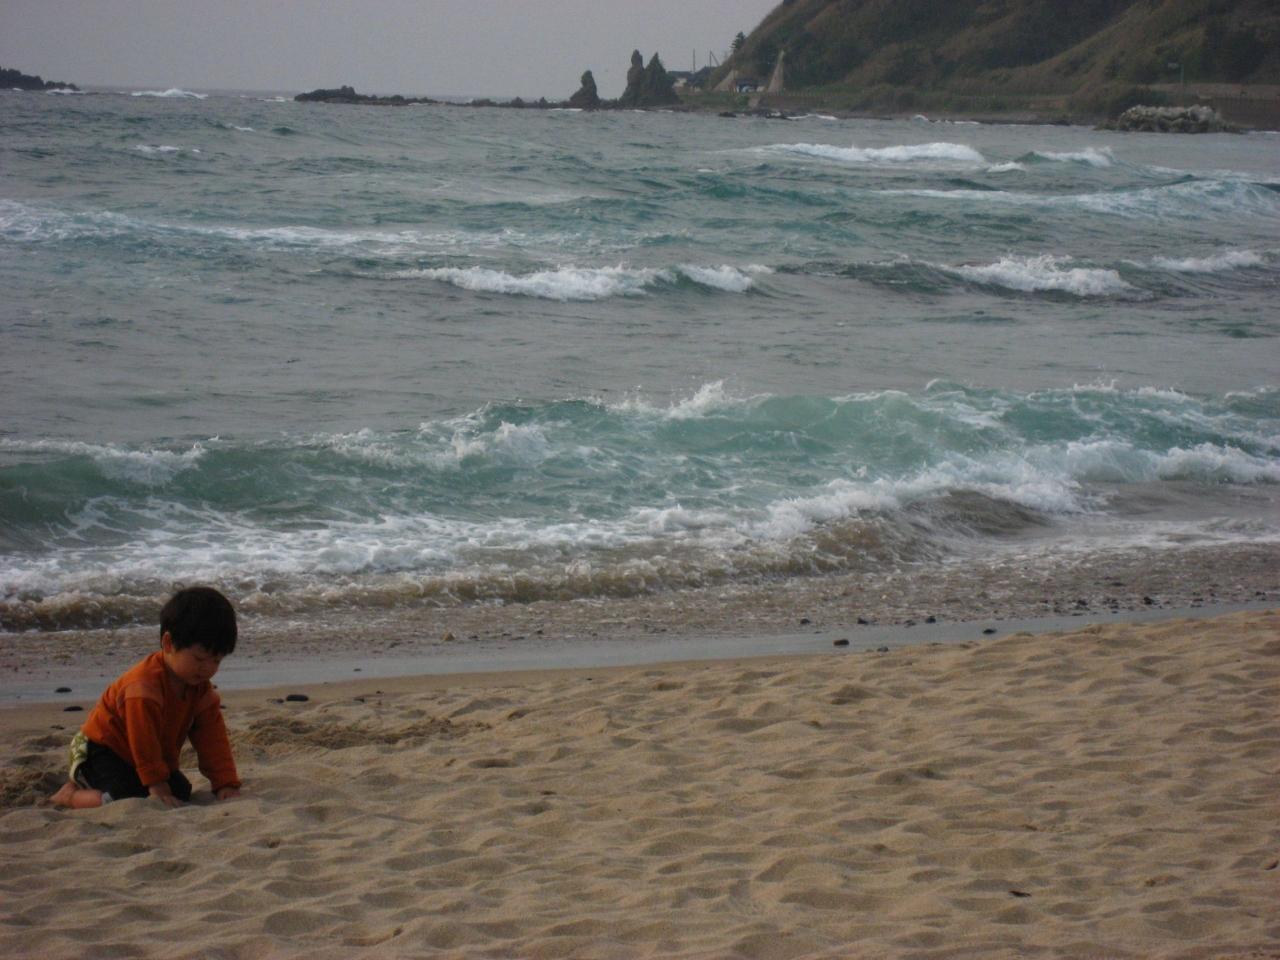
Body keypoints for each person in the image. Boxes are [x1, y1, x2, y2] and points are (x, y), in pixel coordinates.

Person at [49, 586, 242, 809]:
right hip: (99, 750)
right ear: (168, 643)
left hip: (138, 758)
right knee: (127, 796)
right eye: (199, 659)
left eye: (216, 661)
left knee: (181, 790)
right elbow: (143, 739)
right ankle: (70, 796)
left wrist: (225, 783)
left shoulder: (200, 690)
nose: (207, 668)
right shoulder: (144, 687)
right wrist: (156, 784)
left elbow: (212, 738)